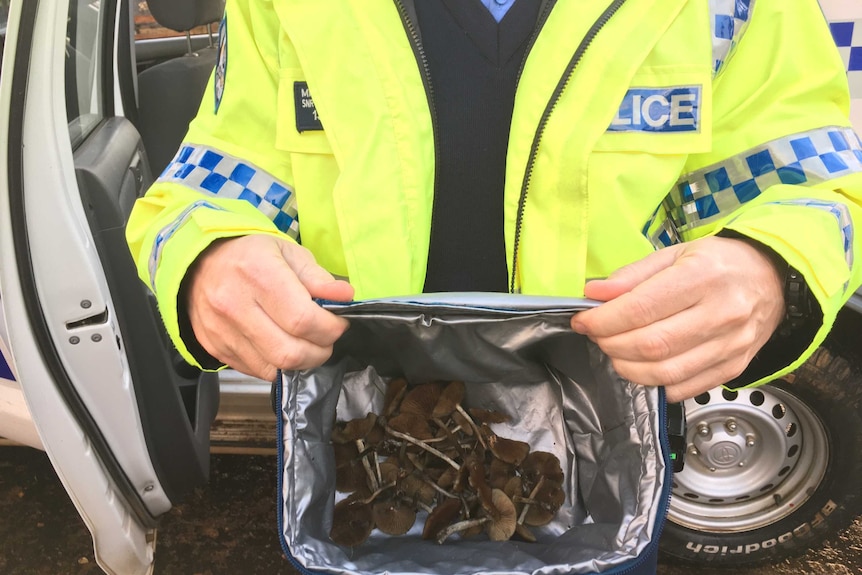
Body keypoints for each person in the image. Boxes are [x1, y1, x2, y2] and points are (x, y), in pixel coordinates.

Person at [127, 0, 862, 404]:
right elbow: (215, 179)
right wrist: (208, 262)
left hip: (602, 455)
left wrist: (770, 270)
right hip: (352, 452)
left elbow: (811, 183)